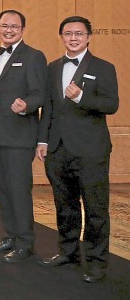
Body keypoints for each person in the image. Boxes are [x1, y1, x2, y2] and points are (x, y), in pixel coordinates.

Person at [36, 16, 118, 283]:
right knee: (64, 206)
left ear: (88, 36)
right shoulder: (52, 67)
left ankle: (96, 262)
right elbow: (47, 108)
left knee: (95, 208)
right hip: (58, 149)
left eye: (79, 34)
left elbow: (111, 104)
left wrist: (81, 97)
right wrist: (43, 141)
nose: (73, 38)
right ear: (61, 36)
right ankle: (68, 252)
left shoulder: (103, 67)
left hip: (91, 150)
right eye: (68, 33)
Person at [0, 9, 47, 263]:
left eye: (14, 26)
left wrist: (27, 106)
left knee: (19, 191)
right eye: (4, 25)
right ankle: (10, 236)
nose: (9, 30)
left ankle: (25, 242)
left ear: (23, 29)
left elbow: (39, 94)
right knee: (4, 191)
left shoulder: (33, 56)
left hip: (19, 136)